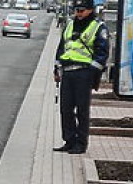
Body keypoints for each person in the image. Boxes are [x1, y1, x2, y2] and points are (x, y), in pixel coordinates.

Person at [52, 0, 109, 154]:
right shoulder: (70, 24)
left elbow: (102, 52)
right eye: (76, 10)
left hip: (84, 72)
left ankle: (81, 143)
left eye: (82, 10)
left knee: (82, 110)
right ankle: (69, 140)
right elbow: (62, 47)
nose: (78, 13)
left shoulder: (98, 26)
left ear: (90, 10)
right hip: (68, 72)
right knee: (66, 109)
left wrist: (92, 73)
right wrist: (57, 68)